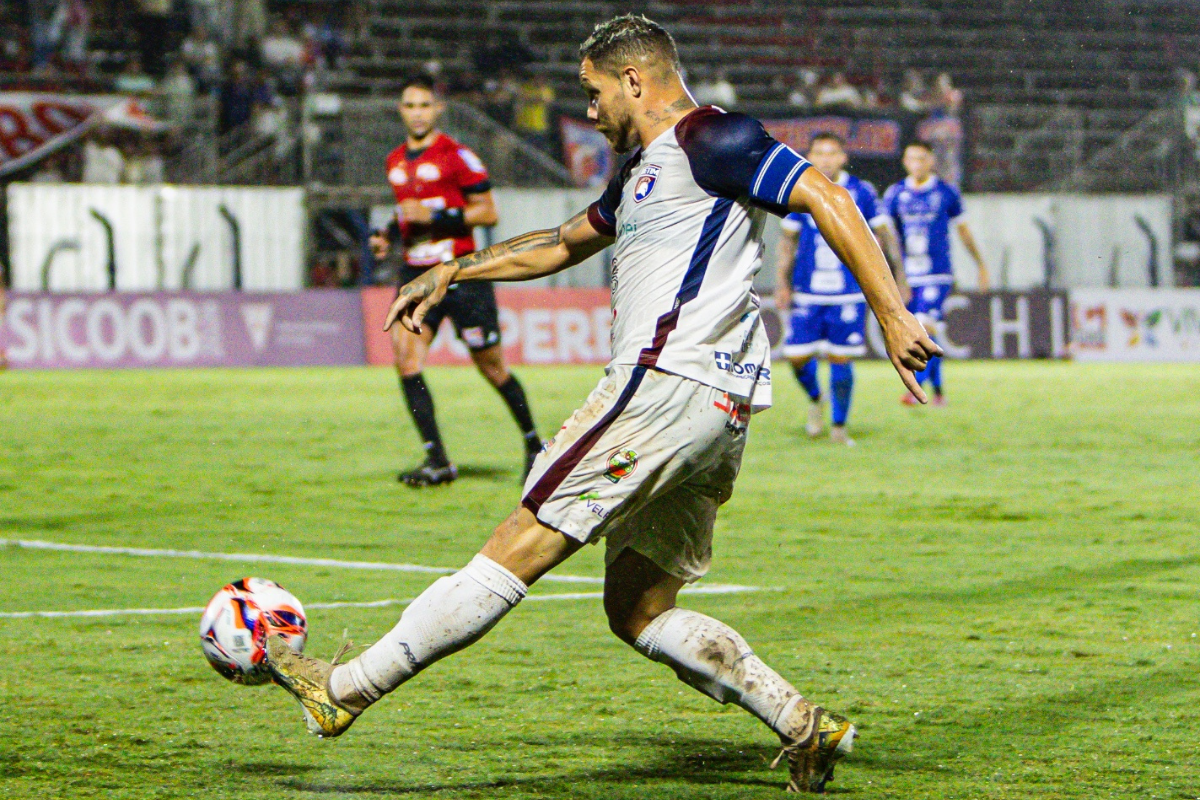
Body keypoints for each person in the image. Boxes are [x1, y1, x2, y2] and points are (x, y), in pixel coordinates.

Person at [263, 15, 938, 794]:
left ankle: (341, 692)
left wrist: (890, 312)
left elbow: (824, 195)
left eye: (591, 93)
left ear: (633, 81)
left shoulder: (713, 136)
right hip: (715, 408)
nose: (587, 112)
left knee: (518, 542)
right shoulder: (647, 167)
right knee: (639, 609)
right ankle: (800, 725)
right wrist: (454, 269)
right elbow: (561, 241)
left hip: (662, 385)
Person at [369, 75, 542, 487]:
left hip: (461, 272)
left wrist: (439, 218)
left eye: (424, 105)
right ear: (401, 110)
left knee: (492, 367)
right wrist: (388, 237)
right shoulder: (395, 160)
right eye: (409, 105)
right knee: (406, 361)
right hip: (417, 274)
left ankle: (536, 446)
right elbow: (407, 212)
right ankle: (438, 461)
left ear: (438, 109)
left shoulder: (458, 156)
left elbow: (487, 213)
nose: (417, 113)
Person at [775, 133, 908, 445]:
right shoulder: (800, 188)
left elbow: (884, 236)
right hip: (808, 289)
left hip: (847, 291)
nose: (825, 159)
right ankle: (816, 397)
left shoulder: (860, 191)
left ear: (842, 157)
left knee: (840, 358)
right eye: (819, 153)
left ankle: (838, 427)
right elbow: (787, 241)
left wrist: (897, 278)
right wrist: (782, 283)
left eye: (831, 153)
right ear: (810, 156)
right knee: (796, 357)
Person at [884, 141, 989, 406]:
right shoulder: (895, 194)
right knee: (926, 334)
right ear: (905, 162)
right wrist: (895, 274)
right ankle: (939, 391)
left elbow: (963, 232)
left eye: (922, 159)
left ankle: (916, 389)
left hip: (937, 273)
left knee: (924, 327)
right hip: (909, 275)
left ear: (931, 161)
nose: (917, 164)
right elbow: (889, 238)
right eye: (911, 159)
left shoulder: (946, 193)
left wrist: (980, 265)